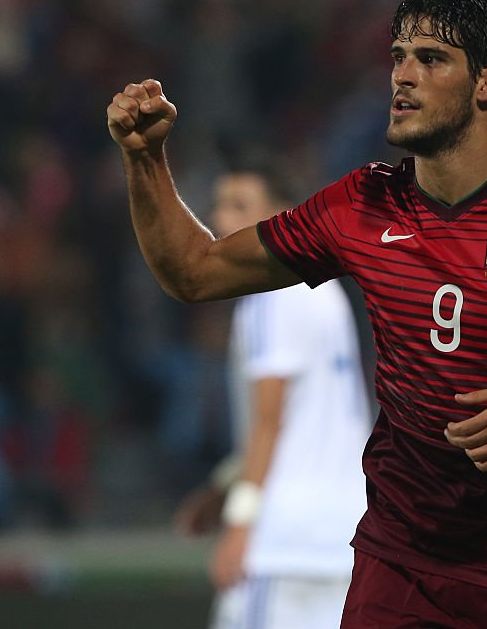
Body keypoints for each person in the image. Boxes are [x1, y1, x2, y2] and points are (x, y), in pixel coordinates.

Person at [107, 0, 487, 629]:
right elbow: (193, 272)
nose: (402, 75)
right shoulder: (359, 206)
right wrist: (146, 161)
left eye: (431, 59)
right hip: (400, 568)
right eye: (397, 57)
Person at [173, 164, 371, 629]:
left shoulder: (268, 292)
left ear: (283, 216)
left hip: (282, 544)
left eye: (240, 206)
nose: (221, 220)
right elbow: (310, 421)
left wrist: (241, 524)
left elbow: (270, 421)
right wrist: (227, 486)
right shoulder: (328, 291)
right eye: (220, 205)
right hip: (346, 539)